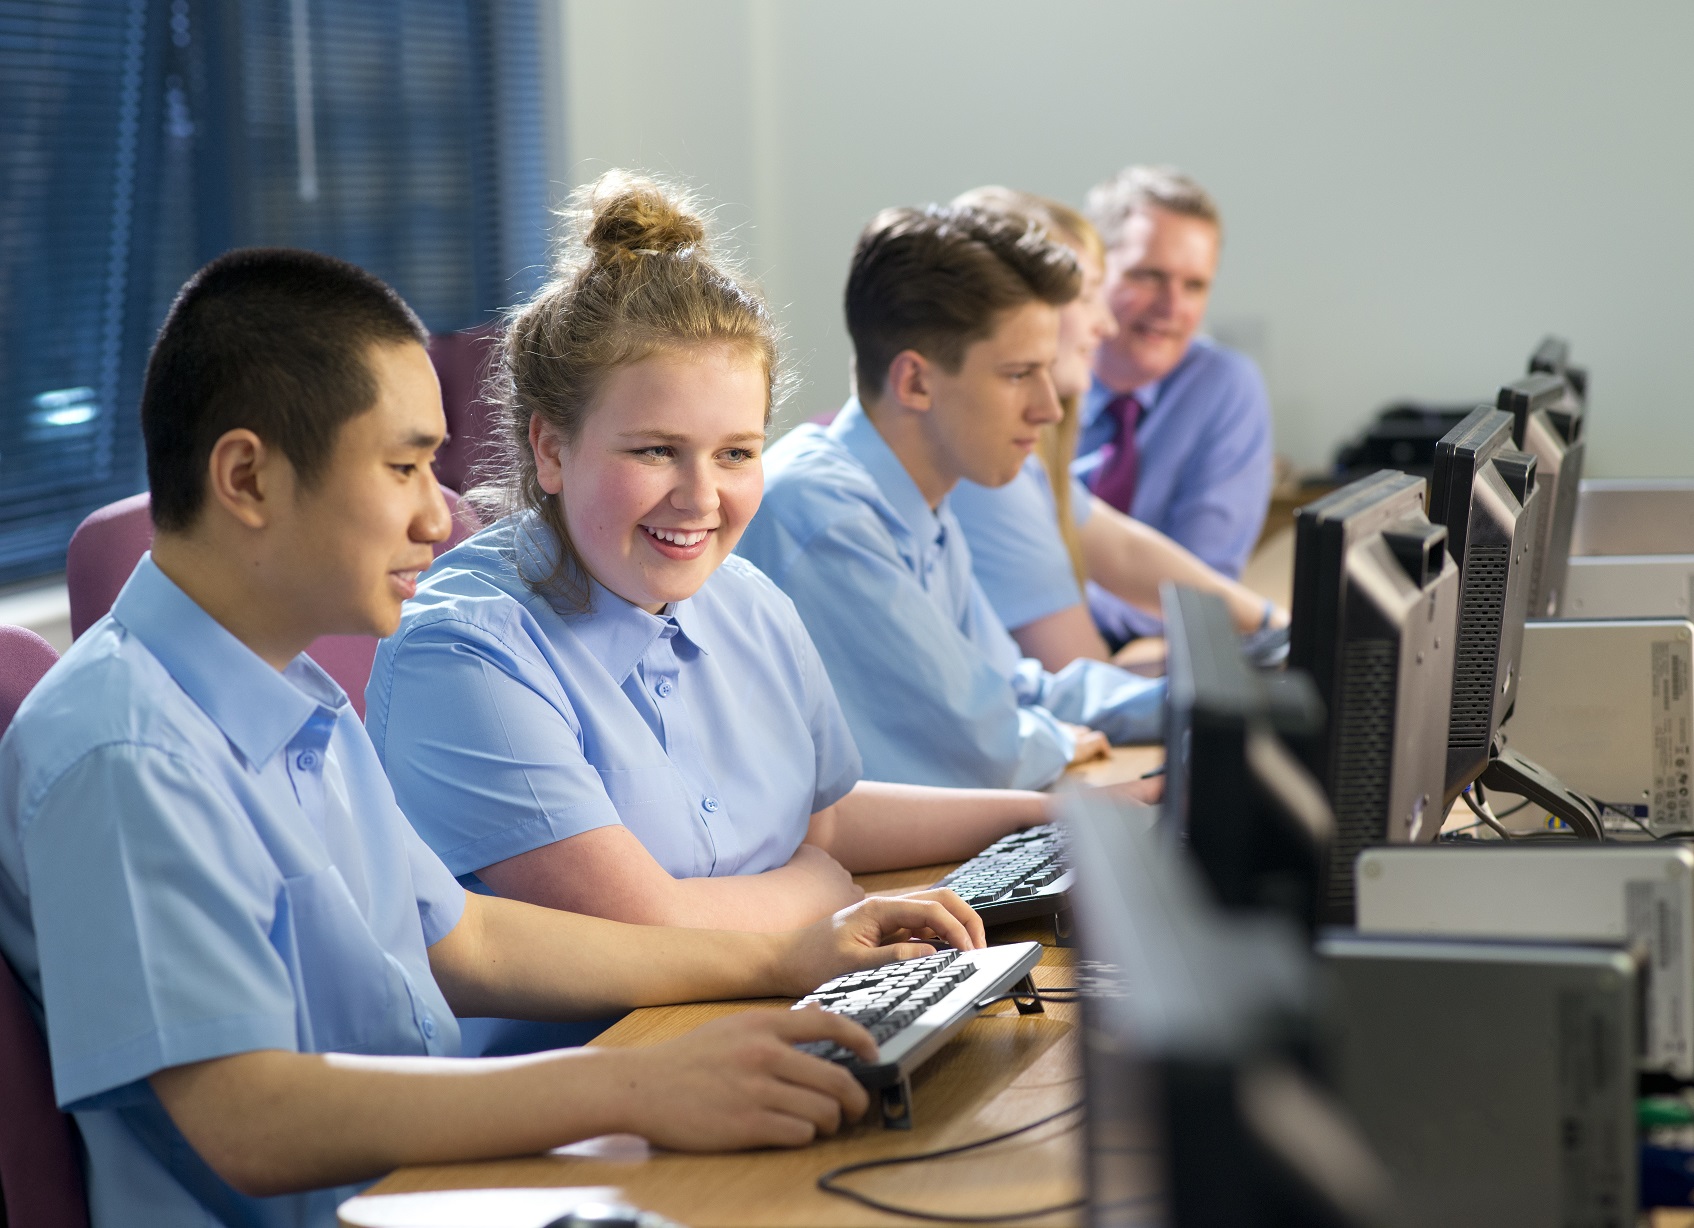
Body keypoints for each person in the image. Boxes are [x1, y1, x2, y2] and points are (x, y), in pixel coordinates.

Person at [0, 246, 983, 1228]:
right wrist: (626, 1087)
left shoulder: (291, 691)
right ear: (247, 477)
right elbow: (247, 1117)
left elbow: (462, 938)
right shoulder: (122, 748)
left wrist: (785, 961)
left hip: (438, 1189)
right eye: (403, 468)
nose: (442, 513)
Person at [367, 174, 1055, 968]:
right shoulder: (462, 650)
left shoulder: (749, 603)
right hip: (592, 1066)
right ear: (552, 449)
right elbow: (648, 925)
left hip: (750, 1021)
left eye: (736, 453)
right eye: (657, 450)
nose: (701, 499)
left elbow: (820, 823)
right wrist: (822, 891)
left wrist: (1042, 814)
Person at [736, 204, 1165, 792]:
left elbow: (1014, 687)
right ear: (915, 381)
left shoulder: (923, 505)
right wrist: (1057, 740)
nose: (1050, 408)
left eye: (1046, 371)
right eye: (1018, 374)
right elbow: (981, 749)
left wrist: (1201, 703)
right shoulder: (822, 514)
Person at [947, 186, 1284, 673]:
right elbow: (1081, 679)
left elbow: (1121, 550)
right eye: (1088, 296)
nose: (1102, 324)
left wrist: (1281, 627)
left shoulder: (1013, 454)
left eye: (1194, 285)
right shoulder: (985, 463)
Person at [1078, 166, 1274, 647]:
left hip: (1146, 643)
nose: (1172, 307)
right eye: (1149, 276)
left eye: (1194, 285)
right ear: (1091, 270)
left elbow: (1202, 586)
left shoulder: (1224, 386)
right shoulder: (1038, 381)